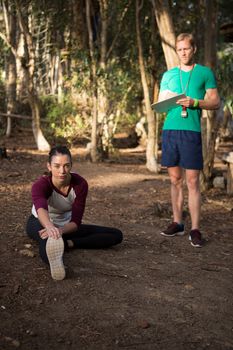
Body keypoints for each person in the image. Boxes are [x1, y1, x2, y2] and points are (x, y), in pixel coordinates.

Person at [158, 33, 220, 247]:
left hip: (191, 132)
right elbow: (160, 104)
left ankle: (195, 229)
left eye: (186, 48)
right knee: (175, 180)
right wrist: (165, 103)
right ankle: (177, 222)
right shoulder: (168, 75)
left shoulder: (204, 73)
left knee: (192, 181)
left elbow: (215, 102)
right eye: (180, 49)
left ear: (194, 49)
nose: (183, 52)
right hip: (170, 131)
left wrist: (194, 102)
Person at [26, 145, 123, 280]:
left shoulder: (80, 184)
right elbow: (41, 208)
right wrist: (49, 227)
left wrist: (60, 230)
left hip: (66, 226)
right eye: (57, 166)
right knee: (48, 240)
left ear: (71, 165)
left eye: (66, 165)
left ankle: (67, 243)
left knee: (116, 234)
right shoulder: (41, 185)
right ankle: (56, 263)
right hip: (40, 222)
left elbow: (76, 221)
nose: (62, 171)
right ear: (49, 166)